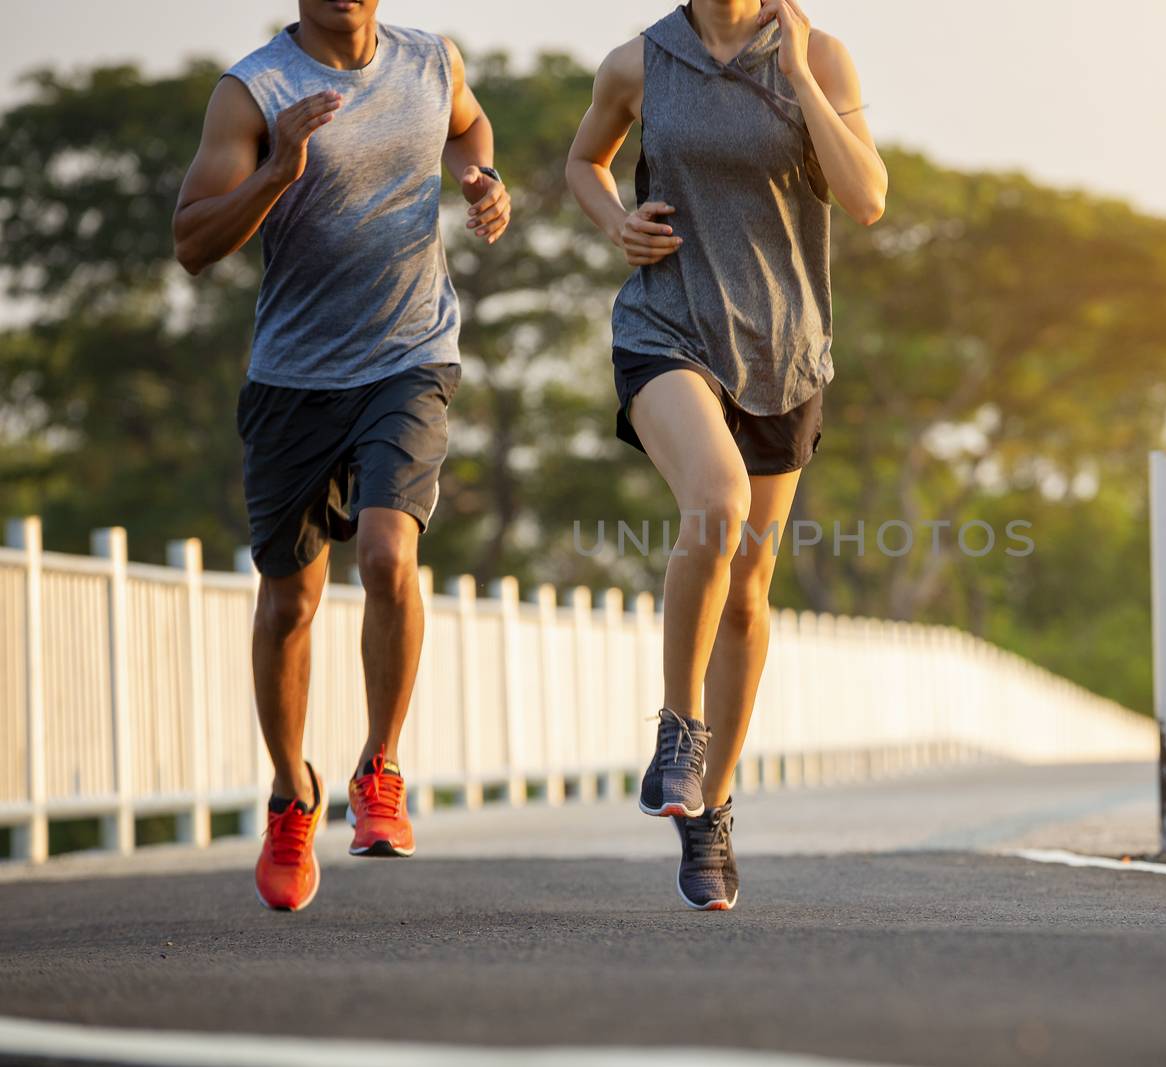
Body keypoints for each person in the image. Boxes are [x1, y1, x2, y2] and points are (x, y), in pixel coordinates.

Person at [172, 0, 510, 912]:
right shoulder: (253, 92)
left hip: (411, 353)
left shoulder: (431, 60)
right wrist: (278, 169)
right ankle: (292, 793)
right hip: (293, 378)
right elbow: (193, 242)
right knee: (290, 600)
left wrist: (480, 177)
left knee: (389, 553)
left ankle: (380, 767)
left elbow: (468, 124)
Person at [567, 0, 887, 910]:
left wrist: (797, 84)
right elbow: (583, 162)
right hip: (667, 327)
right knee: (717, 499)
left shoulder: (821, 57)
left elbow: (865, 198)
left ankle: (712, 807)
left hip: (784, 353)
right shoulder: (639, 62)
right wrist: (613, 222)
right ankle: (679, 729)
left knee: (748, 583)